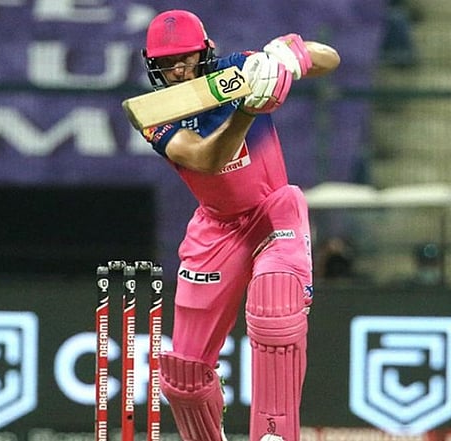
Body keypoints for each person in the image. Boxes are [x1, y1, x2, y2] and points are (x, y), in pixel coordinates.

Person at [135, 9, 340, 441]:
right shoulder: (155, 113)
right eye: (166, 63)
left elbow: (330, 58)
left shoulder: (238, 69)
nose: (177, 70)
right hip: (216, 231)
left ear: (205, 52)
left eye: (185, 58)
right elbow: (205, 158)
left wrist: (284, 58)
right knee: (183, 378)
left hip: (273, 213)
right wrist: (246, 111)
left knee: (275, 307)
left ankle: (274, 433)